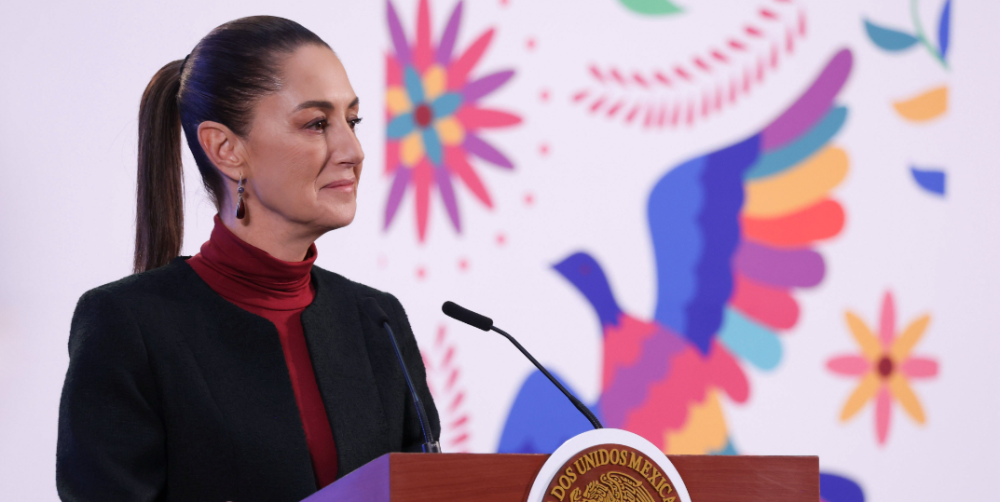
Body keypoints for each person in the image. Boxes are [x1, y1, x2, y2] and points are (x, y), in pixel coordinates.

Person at [56, 16, 440, 502]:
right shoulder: (125, 325)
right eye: (317, 123)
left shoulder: (377, 320)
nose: (353, 149)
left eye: (353, 120)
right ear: (226, 149)